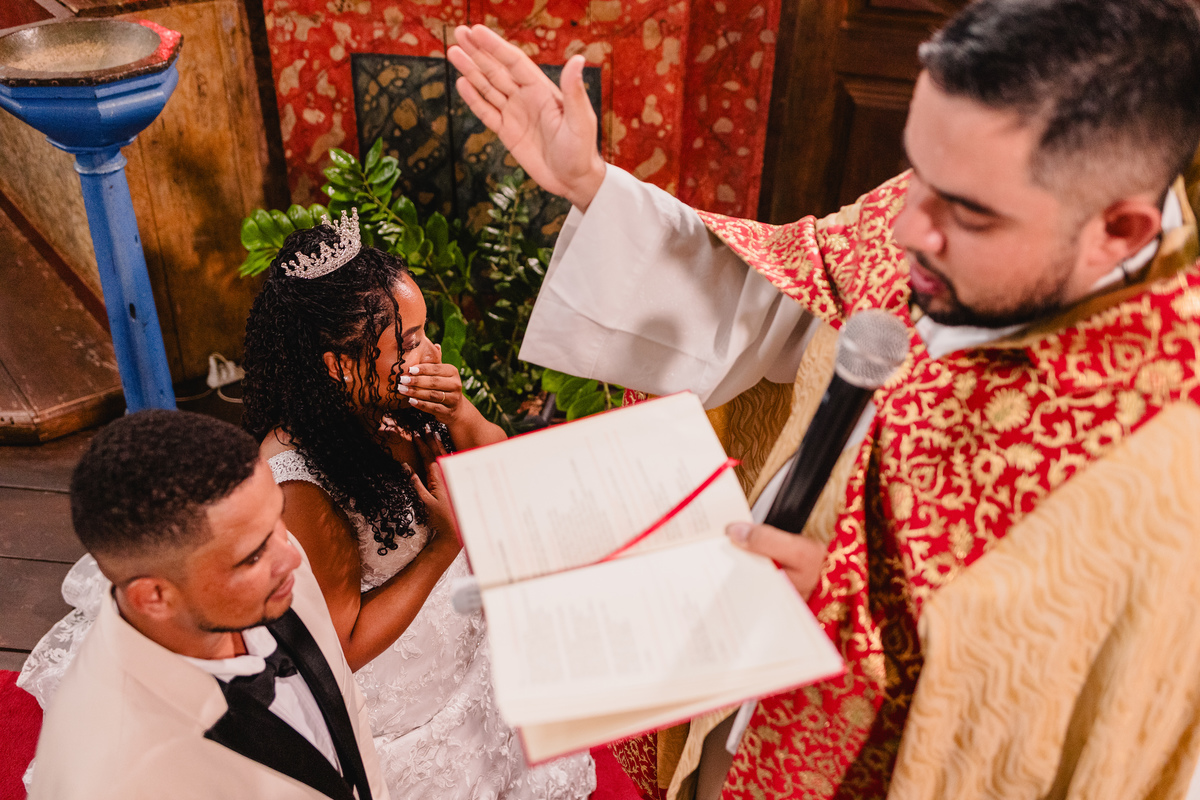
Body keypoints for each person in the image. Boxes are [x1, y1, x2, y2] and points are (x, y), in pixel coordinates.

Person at [447, 2, 1200, 799]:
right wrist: (591, 187)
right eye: (915, 174)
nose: (908, 228)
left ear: (1119, 230)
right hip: (741, 700)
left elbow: (1098, 735)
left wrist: (853, 628)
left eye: (966, 214)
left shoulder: (1167, 460)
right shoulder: (964, 191)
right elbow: (780, 305)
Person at [240, 210, 596, 799]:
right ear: (339, 364)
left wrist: (461, 413)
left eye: (424, 330)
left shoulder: (395, 393)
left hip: (460, 628)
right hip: (395, 689)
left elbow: (500, 460)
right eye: (409, 341)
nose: (430, 350)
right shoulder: (298, 484)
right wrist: (445, 544)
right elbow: (343, 646)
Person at [27, 409, 389, 800]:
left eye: (278, 519)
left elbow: (348, 709)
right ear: (154, 596)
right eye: (251, 557)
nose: (292, 558)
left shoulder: (275, 563)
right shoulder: (111, 777)